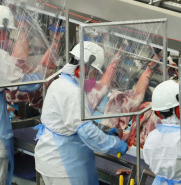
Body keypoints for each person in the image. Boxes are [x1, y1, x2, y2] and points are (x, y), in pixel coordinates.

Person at [34, 41, 128, 185]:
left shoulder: (60, 83)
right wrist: (116, 144)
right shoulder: (73, 92)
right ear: (82, 69)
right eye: (93, 73)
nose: (94, 78)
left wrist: (105, 130)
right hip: (64, 166)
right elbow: (86, 132)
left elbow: (74, 121)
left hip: (51, 158)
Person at [0, 5, 41, 185]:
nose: (8, 41)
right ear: (0, 33)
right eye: (8, 35)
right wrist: (43, 75)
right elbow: (26, 86)